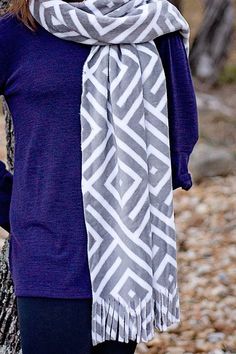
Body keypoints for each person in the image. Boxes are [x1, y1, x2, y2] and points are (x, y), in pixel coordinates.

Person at [0, 0, 198, 352]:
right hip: (48, 253)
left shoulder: (155, 28)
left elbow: (178, 134)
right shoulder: (17, 34)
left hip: (131, 256)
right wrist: (11, 203)